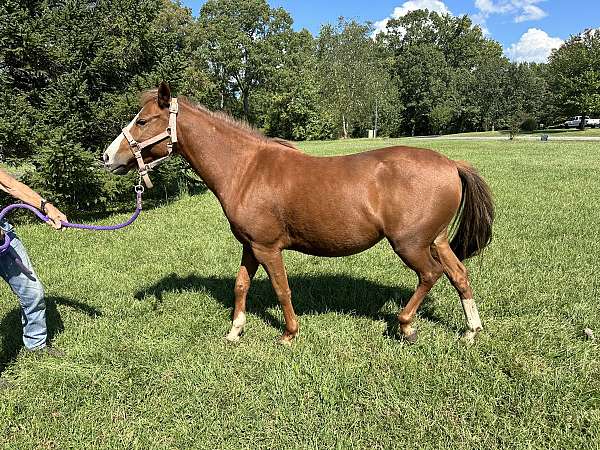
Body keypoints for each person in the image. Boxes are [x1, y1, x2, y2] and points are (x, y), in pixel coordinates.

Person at [0, 168, 67, 360]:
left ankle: (36, 345)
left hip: (3, 235)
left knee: (32, 291)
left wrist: (47, 207)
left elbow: (10, 185)